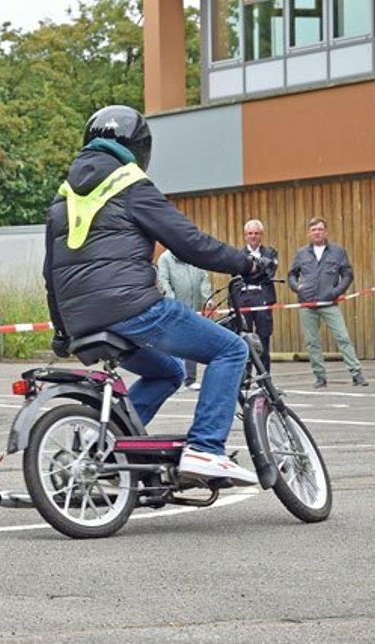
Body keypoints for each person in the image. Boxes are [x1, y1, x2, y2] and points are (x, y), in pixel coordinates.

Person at [43, 105, 273, 486]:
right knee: (231, 350)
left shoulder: (62, 199)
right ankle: (206, 449)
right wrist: (244, 264)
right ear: (139, 148)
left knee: (168, 371)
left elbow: (50, 272)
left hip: (82, 319)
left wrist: (62, 331)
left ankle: (102, 447)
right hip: (133, 308)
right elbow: (189, 244)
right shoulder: (130, 186)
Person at [287, 217, 368, 388]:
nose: (317, 232)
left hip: (329, 303)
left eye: (320, 229)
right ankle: (320, 377)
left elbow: (347, 274)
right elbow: (291, 274)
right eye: (314, 229)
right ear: (309, 233)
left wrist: (337, 291)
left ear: (326, 231)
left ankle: (356, 373)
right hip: (307, 304)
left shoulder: (338, 252)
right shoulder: (301, 253)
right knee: (312, 342)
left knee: (343, 337)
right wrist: (297, 287)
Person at [156, 250, 213, 390]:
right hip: (174, 309)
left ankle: (190, 379)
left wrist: (208, 299)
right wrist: (172, 303)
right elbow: (163, 281)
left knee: (192, 342)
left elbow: (204, 278)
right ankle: (169, 378)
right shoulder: (165, 259)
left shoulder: (196, 255)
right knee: (171, 344)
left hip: (194, 308)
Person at [238, 219, 279, 373]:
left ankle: (264, 378)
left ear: (261, 235)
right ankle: (246, 377)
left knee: (263, 338)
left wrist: (250, 273)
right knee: (245, 337)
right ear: (245, 236)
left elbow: (269, 273)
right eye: (250, 233)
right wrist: (259, 270)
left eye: (256, 233)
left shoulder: (271, 252)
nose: (253, 236)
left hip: (263, 297)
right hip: (244, 298)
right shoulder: (239, 254)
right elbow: (238, 275)